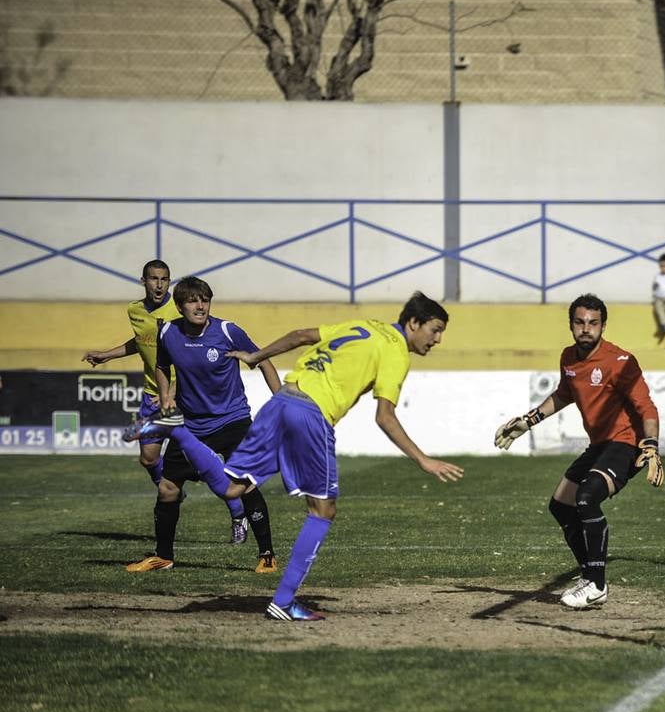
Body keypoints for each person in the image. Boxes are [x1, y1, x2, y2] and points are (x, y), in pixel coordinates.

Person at [190, 292, 463, 621]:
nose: (438, 339)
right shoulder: (395, 351)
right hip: (311, 414)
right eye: (435, 330)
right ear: (414, 323)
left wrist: (256, 356)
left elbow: (300, 335)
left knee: (233, 488)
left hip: (281, 401)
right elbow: (385, 417)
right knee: (323, 509)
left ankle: (172, 431)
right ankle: (283, 601)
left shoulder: (363, 326)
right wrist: (423, 459)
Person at [494, 293, 663, 609]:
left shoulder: (621, 361)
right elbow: (564, 394)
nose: (586, 329)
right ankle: (590, 577)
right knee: (560, 505)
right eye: (580, 322)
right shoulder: (568, 358)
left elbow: (647, 407)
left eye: (593, 323)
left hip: (628, 444)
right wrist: (528, 421)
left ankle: (597, 584)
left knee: (586, 497)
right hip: (600, 445)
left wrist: (651, 444)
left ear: (603, 326)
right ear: (571, 325)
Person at [124, 277, 283, 573]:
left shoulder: (227, 331)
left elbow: (263, 361)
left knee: (245, 486)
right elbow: (161, 366)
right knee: (168, 488)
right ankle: (163, 557)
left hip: (232, 421)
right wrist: (165, 395)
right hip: (192, 426)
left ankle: (267, 555)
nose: (200, 306)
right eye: (193, 301)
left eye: (205, 300)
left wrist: (282, 402)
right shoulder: (168, 332)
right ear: (179, 306)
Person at [82, 259, 248, 540]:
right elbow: (143, 340)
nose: (159, 285)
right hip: (152, 394)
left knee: (202, 464)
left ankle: (236, 512)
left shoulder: (180, 307)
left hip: (180, 396)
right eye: (153, 279)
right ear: (143, 281)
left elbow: (191, 354)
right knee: (148, 459)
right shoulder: (134, 310)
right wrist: (108, 355)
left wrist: (169, 394)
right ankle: (173, 489)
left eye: (164, 279)